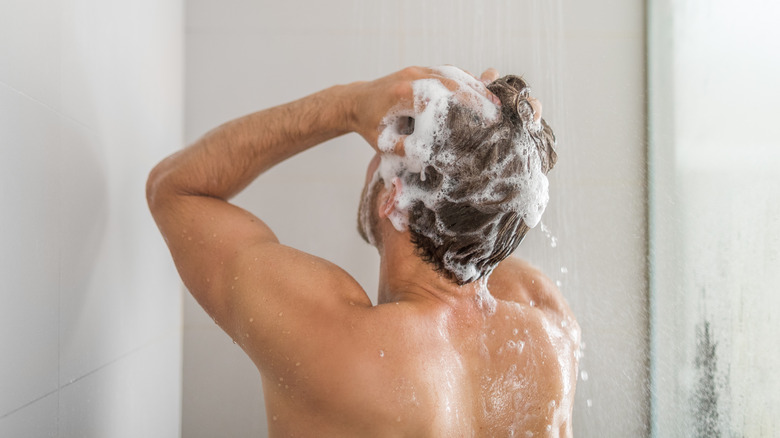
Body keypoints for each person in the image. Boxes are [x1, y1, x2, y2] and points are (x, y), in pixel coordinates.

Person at [147, 66, 580, 437]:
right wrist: (501, 141)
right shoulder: (546, 325)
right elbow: (485, 221)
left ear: (393, 198)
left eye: (379, 153)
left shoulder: (333, 337)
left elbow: (175, 189)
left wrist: (349, 105)